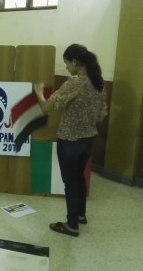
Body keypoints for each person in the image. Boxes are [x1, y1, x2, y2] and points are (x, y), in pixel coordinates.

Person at [33, 44, 107, 237]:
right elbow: (101, 116)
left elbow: (46, 109)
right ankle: (80, 215)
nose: (66, 67)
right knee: (79, 179)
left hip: (70, 142)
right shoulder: (98, 83)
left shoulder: (74, 83)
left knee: (71, 183)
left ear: (75, 62)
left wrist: (39, 92)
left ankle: (71, 225)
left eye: (67, 63)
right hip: (89, 140)